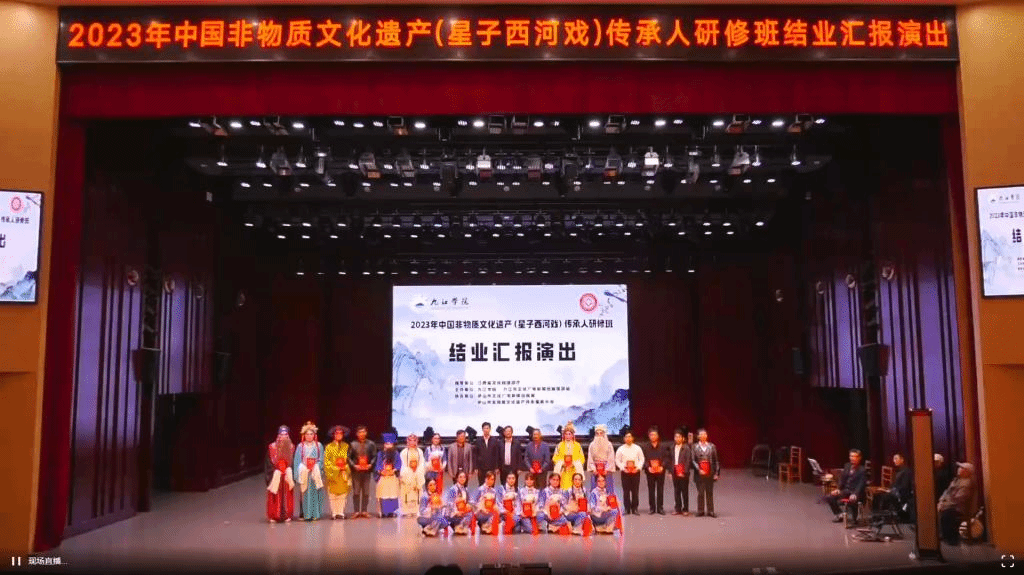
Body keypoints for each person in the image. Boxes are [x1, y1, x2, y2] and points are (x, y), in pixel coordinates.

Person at [293, 421, 325, 521]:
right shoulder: (300, 446)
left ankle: (315, 514)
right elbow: (297, 461)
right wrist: (303, 468)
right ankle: (306, 514)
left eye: (311, 434)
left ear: (314, 435)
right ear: (304, 435)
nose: (309, 436)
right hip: (305, 473)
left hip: (314, 473)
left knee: (316, 493)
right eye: (307, 434)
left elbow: (321, 459)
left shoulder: (318, 446)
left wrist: (316, 466)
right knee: (305, 493)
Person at [825, 448, 867, 524]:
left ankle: (854, 518)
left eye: (854, 456)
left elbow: (861, 484)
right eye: (851, 456)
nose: (852, 458)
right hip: (846, 491)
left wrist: (855, 494)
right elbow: (842, 480)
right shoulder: (847, 466)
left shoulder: (862, 470)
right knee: (830, 497)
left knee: (853, 499)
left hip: (857, 493)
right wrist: (838, 489)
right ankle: (839, 514)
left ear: (859, 458)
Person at [938, 462, 976, 544]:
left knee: (947, 514)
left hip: (957, 507)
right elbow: (947, 492)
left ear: (967, 471)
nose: (959, 469)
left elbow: (959, 498)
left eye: (962, 468)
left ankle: (951, 539)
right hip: (948, 503)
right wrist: (941, 501)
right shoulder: (956, 480)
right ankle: (943, 535)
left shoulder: (966, 483)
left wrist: (945, 504)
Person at [265, 425, 295, 523]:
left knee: (287, 495)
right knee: (274, 494)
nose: (283, 437)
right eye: (281, 435)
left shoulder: (292, 447)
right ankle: (274, 515)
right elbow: (268, 464)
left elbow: (293, 463)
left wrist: (289, 470)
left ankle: (287, 515)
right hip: (276, 474)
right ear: (278, 435)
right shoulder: (272, 447)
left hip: (287, 475)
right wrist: (275, 471)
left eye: (285, 435)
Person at [347, 425, 377, 518]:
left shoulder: (371, 444)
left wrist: (370, 464)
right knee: (356, 492)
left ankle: (364, 511)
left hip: (366, 472)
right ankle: (356, 511)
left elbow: (374, 456)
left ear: (366, 433)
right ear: (357, 434)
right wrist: (354, 465)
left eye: (363, 432)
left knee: (366, 492)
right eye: (360, 432)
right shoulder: (353, 444)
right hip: (356, 472)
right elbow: (348, 457)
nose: (362, 434)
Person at [323, 425, 352, 520]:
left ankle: (341, 512)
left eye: (341, 433)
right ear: (333, 435)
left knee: (343, 494)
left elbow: (349, 459)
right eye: (337, 433)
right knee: (333, 495)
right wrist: (335, 468)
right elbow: (327, 461)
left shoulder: (346, 446)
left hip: (343, 472)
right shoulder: (329, 447)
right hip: (333, 473)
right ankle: (334, 513)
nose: (339, 435)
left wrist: (346, 467)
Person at [692, 428, 721, 518]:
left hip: (710, 472)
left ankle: (710, 511)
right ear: (698, 436)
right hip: (699, 473)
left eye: (705, 434)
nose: (703, 436)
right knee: (700, 492)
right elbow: (693, 460)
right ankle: (700, 510)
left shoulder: (712, 446)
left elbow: (716, 460)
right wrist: (698, 469)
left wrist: (717, 473)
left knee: (709, 492)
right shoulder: (695, 447)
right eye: (701, 435)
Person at [615, 430, 644, 515]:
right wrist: (622, 468)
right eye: (626, 437)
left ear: (633, 438)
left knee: (635, 491)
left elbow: (641, 459)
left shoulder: (637, 448)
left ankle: (635, 508)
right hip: (625, 472)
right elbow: (617, 460)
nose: (628, 438)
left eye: (630, 436)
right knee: (626, 491)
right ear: (624, 438)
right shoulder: (620, 449)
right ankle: (627, 508)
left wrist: (638, 468)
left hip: (635, 472)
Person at [642, 426, 670, 515]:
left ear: (657, 436)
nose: (653, 436)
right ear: (649, 436)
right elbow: (643, 459)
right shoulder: (645, 447)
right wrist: (648, 467)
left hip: (660, 471)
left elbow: (667, 458)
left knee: (660, 489)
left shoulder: (663, 446)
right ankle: (652, 508)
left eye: (654, 435)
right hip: (650, 471)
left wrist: (662, 466)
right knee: (651, 490)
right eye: (651, 435)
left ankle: (660, 508)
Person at [374, 433, 402, 518]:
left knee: (392, 494)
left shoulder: (396, 453)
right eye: (386, 444)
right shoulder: (380, 453)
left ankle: (392, 512)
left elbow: (398, 464)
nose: (388, 446)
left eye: (390, 444)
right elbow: (378, 464)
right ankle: (383, 512)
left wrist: (394, 471)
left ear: (393, 445)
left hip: (392, 476)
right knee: (383, 494)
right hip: (383, 476)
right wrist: (381, 471)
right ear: (384, 444)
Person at [399, 433, 425, 517]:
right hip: (407, 475)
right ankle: (406, 512)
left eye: (414, 440)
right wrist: (408, 472)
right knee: (407, 493)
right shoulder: (404, 452)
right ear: (407, 441)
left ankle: (416, 511)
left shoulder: (420, 451)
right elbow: (403, 464)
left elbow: (422, 464)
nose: (412, 442)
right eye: (410, 440)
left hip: (417, 474)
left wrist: (417, 471)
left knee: (417, 493)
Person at [553, 423, 585, 490]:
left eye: (569, 434)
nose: (567, 436)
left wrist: (574, 463)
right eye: (566, 434)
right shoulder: (559, 445)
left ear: (572, 435)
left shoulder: (577, 445)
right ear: (564, 435)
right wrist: (562, 463)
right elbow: (555, 457)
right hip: (563, 470)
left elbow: (582, 458)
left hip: (574, 470)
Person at [670, 427, 694, 516]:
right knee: (676, 491)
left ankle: (685, 509)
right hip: (675, 472)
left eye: (679, 437)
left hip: (684, 473)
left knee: (684, 491)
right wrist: (671, 471)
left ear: (683, 438)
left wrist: (684, 472)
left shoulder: (686, 448)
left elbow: (688, 461)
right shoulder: (672, 447)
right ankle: (678, 508)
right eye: (676, 437)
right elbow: (671, 460)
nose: (677, 438)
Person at [587, 424, 617, 492]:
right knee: (595, 490)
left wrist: (606, 469)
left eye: (601, 433)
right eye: (597, 434)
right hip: (595, 470)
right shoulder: (592, 445)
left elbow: (611, 457)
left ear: (604, 434)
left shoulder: (609, 444)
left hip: (606, 470)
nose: (599, 435)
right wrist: (594, 469)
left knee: (608, 490)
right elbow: (590, 458)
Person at [445, 470, 474, 535]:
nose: (462, 479)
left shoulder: (465, 490)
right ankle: (457, 525)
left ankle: (460, 526)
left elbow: (468, 502)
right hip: (453, 513)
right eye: (460, 477)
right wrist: (456, 512)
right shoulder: (453, 489)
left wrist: (469, 507)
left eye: (464, 477)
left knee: (471, 514)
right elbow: (449, 503)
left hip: (462, 512)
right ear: (457, 478)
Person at [474, 422, 501, 488]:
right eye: (484, 428)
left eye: (487, 428)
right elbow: (475, 455)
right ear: (482, 429)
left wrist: (497, 467)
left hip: (492, 467)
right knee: (481, 486)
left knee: (491, 485)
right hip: (481, 468)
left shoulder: (494, 440)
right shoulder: (478, 441)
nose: (486, 430)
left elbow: (497, 454)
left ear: (490, 429)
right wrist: (476, 467)